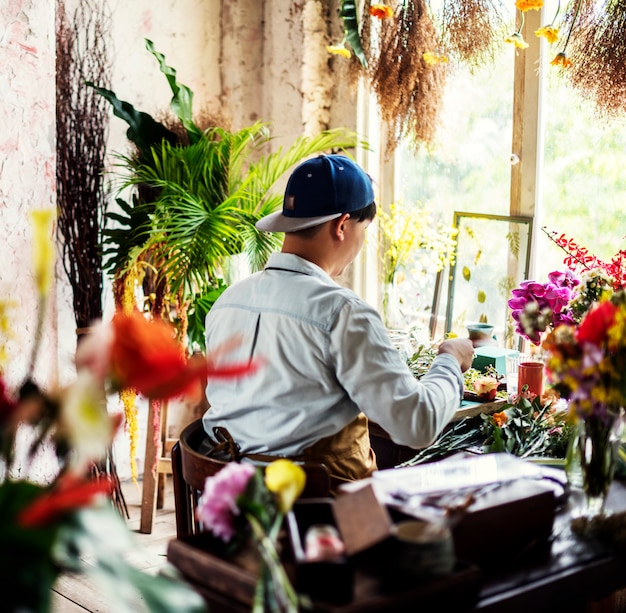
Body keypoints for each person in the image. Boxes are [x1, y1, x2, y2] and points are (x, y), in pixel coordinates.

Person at [202, 154, 474, 484]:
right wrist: (449, 360)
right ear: (342, 225)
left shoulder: (228, 302)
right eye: (364, 230)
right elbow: (416, 424)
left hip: (232, 509)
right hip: (312, 521)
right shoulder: (342, 311)